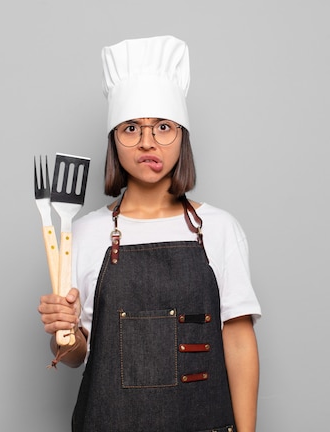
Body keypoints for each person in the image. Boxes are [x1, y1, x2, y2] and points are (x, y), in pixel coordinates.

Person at [37, 35, 261, 432]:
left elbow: (240, 343)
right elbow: (75, 355)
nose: (147, 142)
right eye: (130, 128)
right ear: (114, 141)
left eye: (162, 127)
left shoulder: (220, 229)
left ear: (182, 136)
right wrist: (64, 333)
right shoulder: (83, 233)